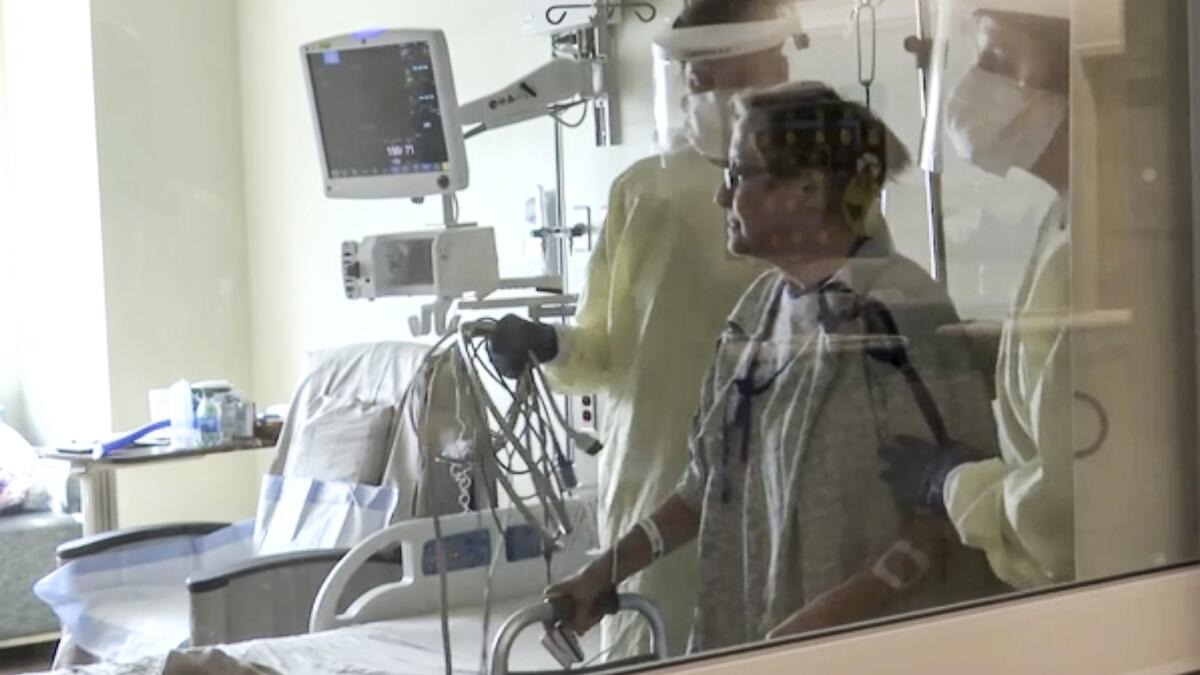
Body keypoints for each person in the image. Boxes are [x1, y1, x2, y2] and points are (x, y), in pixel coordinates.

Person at [544, 83, 1004, 654]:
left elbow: (952, 515)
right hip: (764, 640)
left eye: (738, 174)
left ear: (808, 190)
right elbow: (704, 485)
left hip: (873, 649)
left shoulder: (898, 314)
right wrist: (605, 571)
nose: (720, 197)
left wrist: (820, 628)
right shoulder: (757, 314)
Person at [485, 0, 823, 658]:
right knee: (657, 636)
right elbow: (607, 348)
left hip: (786, 480)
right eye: (693, 77)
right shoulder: (646, 192)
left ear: (775, 65)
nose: (702, 92)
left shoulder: (825, 195)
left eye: (717, 73)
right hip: (659, 472)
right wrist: (548, 343)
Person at [878, 0, 1074, 589]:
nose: (972, 84)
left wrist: (954, 484)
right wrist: (990, 350)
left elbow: (1067, 509)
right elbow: (1061, 363)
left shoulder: (1121, 238)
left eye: (995, 57)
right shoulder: (1066, 213)